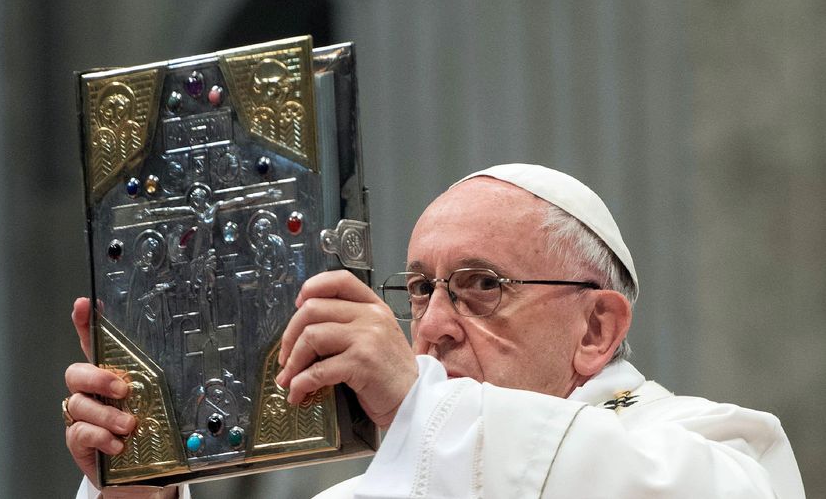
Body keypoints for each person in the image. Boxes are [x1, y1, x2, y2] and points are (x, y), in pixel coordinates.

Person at [64, 163, 805, 498]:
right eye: (419, 289)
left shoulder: (712, 455)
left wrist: (417, 407)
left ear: (596, 327)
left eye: (481, 286)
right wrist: (142, 490)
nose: (435, 326)